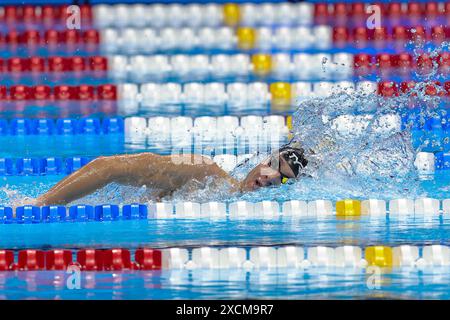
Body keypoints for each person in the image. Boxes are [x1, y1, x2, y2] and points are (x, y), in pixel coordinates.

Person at [35, 144, 308, 206]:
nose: (272, 176)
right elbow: (108, 167)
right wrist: (39, 207)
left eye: (284, 178)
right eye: (273, 164)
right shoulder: (203, 171)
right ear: (262, 160)